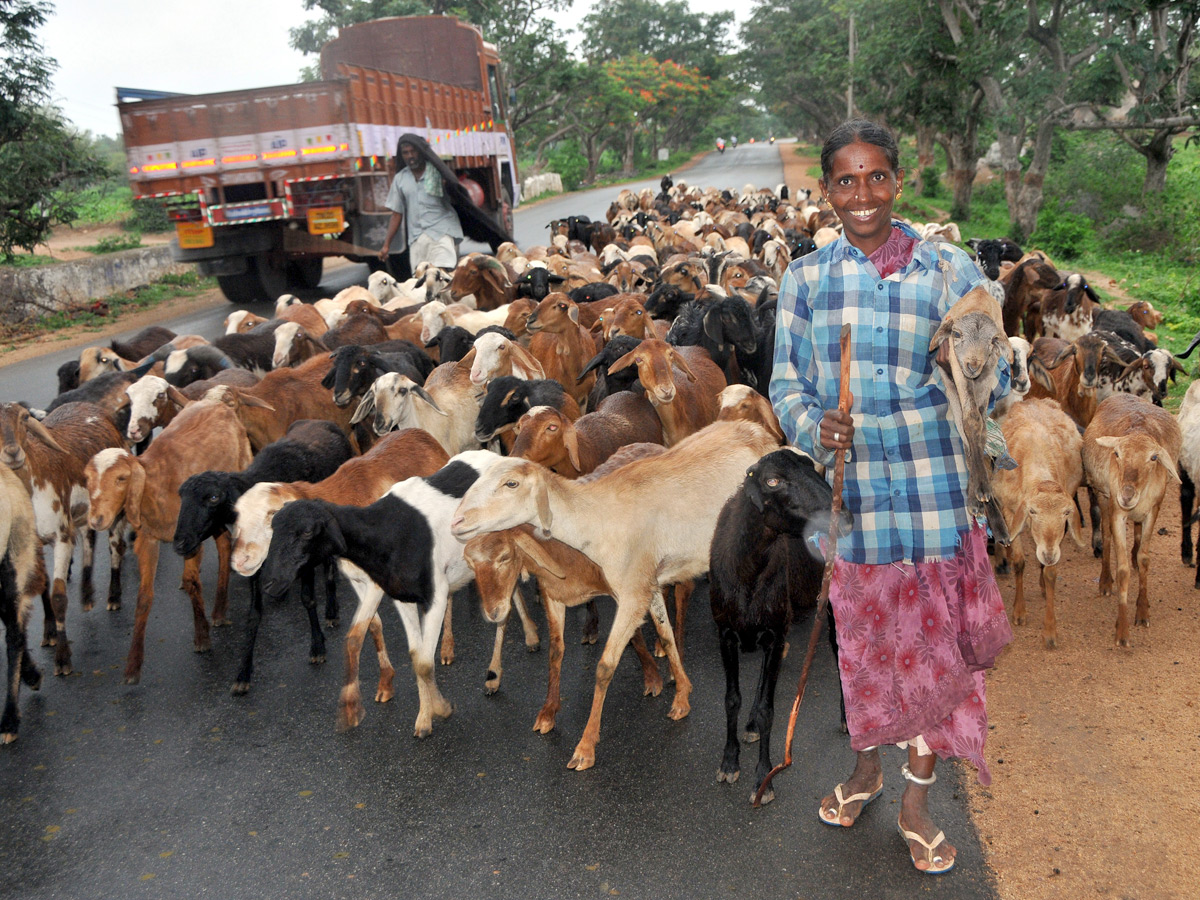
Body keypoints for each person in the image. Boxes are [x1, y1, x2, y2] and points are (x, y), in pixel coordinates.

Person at [768, 119, 1012, 875]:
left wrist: (974, 364)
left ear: (897, 182)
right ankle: (866, 770)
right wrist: (819, 424)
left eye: (877, 176)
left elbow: (993, 378)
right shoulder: (806, 279)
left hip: (937, 496)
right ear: (828, 190)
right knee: (869, 651)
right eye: (846, 179)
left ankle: (915, 798)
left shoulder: (947, 269)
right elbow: (785, 387)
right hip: (860, 499)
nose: (862, 194)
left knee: (939, 658)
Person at [376, 133, 511, 274]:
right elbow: (397, 214)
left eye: (413, 151)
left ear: (421, 152)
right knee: (420, 282)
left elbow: (458, 198)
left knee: (440, 275)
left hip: (442, 233)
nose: (410, 156)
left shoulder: (437, 173)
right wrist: (386, 245)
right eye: (406, 153)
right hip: (417, 239)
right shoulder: (400, 179)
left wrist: (449, 188)